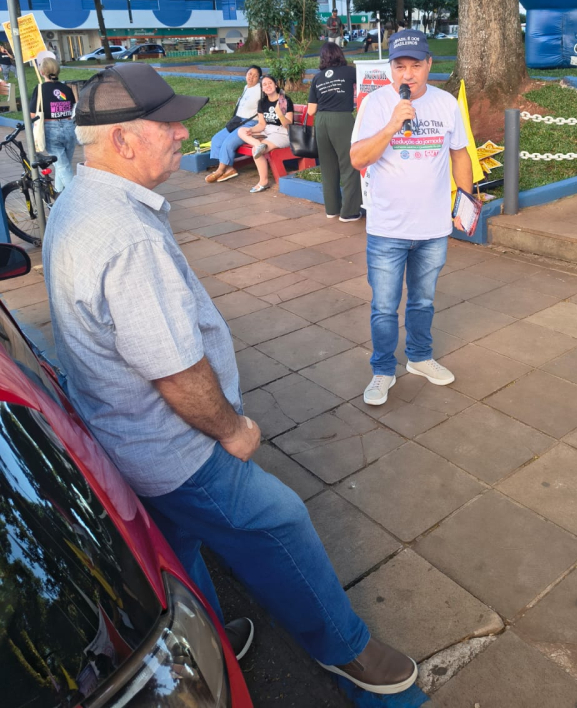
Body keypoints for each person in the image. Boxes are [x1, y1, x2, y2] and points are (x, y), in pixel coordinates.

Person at [42, 62, 418, 696]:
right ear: (122, 140)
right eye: (168, 124)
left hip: (120, 435)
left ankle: (206, 642)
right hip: (173, 449)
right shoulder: (126, 237)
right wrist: (233, 429)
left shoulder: (78, 199)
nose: (183, 134)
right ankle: (344, 648)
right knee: (280, 521)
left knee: (177, 553)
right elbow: (176, 373)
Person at [350, 29, 473, 406]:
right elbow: (358, 158)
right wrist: (391, 125)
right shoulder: (375, 104)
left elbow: (460, 153)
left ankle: (419, 357)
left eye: (415, 65)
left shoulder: (445, 103)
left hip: (433, 229)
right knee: (384, 307)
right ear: (390, 68)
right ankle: (383, 369)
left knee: (423, 301)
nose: (408, 74)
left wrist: (466, 200)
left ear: (429, 65)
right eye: (400, 66)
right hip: (387, 229)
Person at [307, 42, 361, 222]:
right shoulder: (349, 72)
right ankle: (349, 212)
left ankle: (332, 209)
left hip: (321, 121)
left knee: (328, 167)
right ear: (340, 54)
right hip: (341, 119)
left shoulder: (317, 78)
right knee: (350, 165)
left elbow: (311, 110)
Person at [205, 65, 262, 183]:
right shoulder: (246, 87)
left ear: (259, 79)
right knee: (216, 139)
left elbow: (275, 93)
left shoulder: (260, 89)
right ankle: (229, 169)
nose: (251, 77)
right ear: (246, 74)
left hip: (250, 124)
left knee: (228, 143)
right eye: (250, 74)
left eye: (255, 76)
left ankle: (220, 170)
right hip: (238, 121)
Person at [235, 74, 292, 193]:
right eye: (264, 84)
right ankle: (258, 144)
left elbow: (288, 124)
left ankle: (263, 181)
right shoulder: (262, 102)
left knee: (256, 151)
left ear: (275, 85)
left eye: (270, 83)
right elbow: (262, 124)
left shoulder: (284, 100)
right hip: (267, 130)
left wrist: (279, 113)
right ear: (262, 89)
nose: (267, 86)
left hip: (283, 133)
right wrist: (251, 130)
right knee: (241, 131)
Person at [29, 58, 77, 192]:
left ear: (42, 72)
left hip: (51, 130)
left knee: (62, 167)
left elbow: (32, 115)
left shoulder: (39, 89)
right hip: (70, 128)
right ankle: (58, 196)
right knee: (63, 166)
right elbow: (73, 109)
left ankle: (76, 197)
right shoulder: (66, 89)